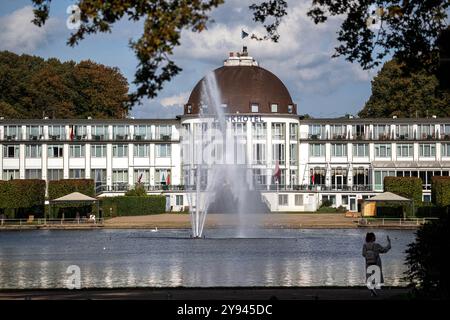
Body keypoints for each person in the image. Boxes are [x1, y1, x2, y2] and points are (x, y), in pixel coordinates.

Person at [362, 232, 391, 296]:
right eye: (374, 236)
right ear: (372, 238)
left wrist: (369, 255)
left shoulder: (365, 245)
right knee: (376, 277)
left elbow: (363, 254)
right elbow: (384, 250)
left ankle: (372, 291)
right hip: (376, 262)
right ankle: (373, 290)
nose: (375, 237)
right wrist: (389, 243)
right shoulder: (376, 245)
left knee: (369, 276)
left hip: (368, 262)